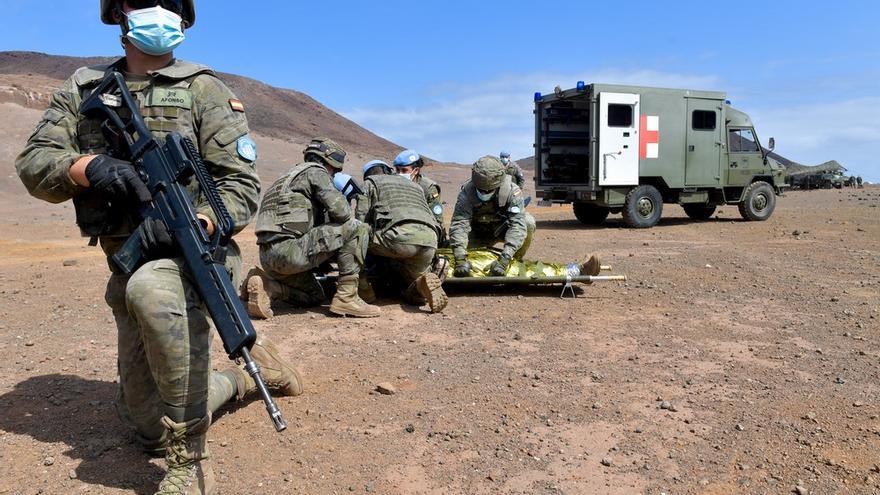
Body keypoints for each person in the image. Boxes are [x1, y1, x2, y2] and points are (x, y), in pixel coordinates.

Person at [15, 1, 302, 493]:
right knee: (145, 425)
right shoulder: (85, 88)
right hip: (127, 262)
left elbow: (241, 185)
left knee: (153, 288)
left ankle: (188, 463)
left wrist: (204, 220)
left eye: (171, 1)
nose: (159, 9)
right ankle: (242, 380)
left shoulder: (205, 89)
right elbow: (34, 162)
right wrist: (88, 168)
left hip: (198, 253)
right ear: (118, 13)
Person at [243, 137, 379, 319]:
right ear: (329, 162)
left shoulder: (285, 178)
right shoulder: (316, 172)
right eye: (334, 171)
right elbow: (343, 214)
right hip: (291, 253)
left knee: (315, 296)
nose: (333, 175)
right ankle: (347, 298)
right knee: (356, 228)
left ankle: (268, 286)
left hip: (269, 259)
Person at [356, 160, 447, 313]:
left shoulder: (370, 183)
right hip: (429, 241)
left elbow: (360, 220)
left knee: (353, 234)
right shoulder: (416, 186)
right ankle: (420, 285)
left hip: (398, 240)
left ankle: (364, 290)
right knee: (413, 288)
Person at [449, 156, 537, 277]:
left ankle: (514, 261)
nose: (484, 193)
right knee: (459, 258)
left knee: (528, 222)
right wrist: (460, 258)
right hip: (477, 233)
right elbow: (459, 225)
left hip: (501, 230)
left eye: (489, 191)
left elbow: (517, 225)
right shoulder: (466, 193)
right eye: (481, 190)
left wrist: (505, 258)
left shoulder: (512, 191)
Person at [393, 149, 447, 246]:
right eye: (397, 170)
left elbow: (437, 219)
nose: (400, 174)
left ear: (416, 170)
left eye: (404, 170)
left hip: (424, 232)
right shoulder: (391, 184)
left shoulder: (428, 188)